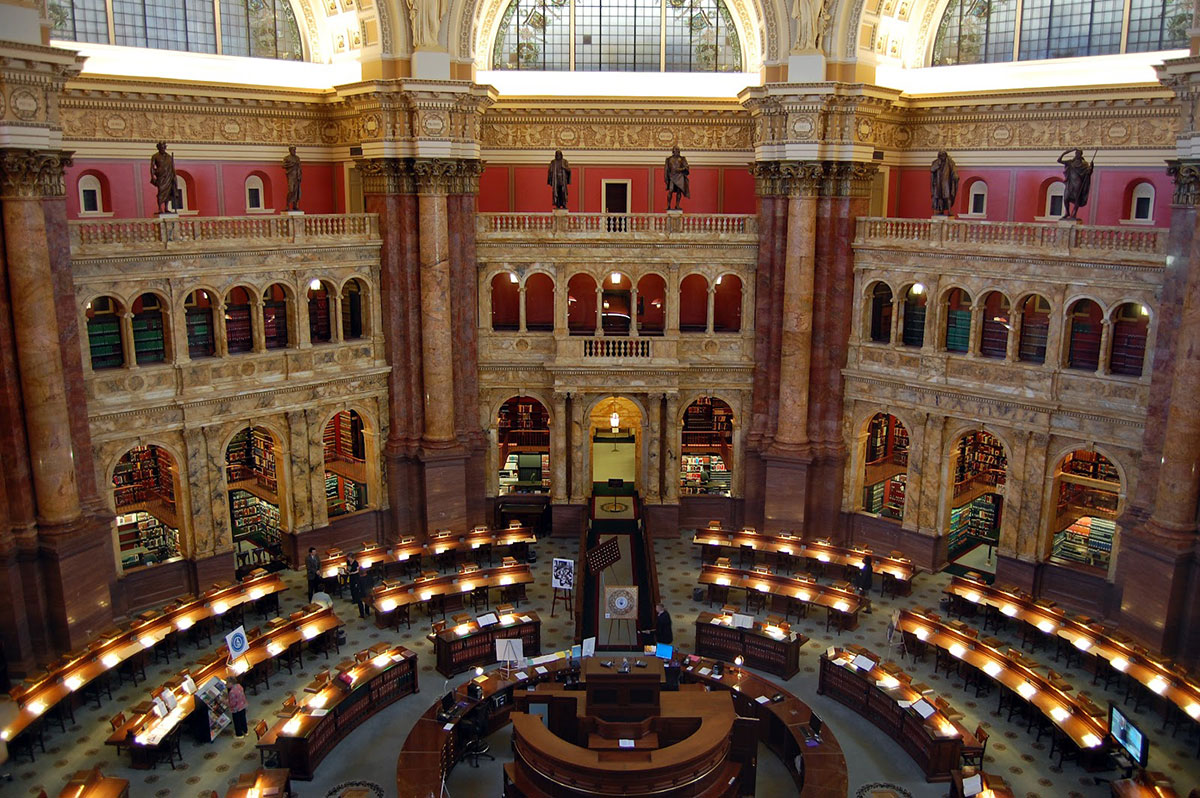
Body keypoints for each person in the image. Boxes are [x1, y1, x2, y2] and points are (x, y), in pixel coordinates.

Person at [1057, 148, 1094, 220]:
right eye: (1076, 153)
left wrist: (1091, 168)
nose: (1077, 154)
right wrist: (1066, 152)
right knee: (1066, 198)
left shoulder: (1084, 164)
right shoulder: (1071, 162)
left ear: (1081, 154)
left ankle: (1074, 213)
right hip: (1070, 182)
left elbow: (1088, 173)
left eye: (1078, 153)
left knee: (1077, 198)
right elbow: (1059, 160)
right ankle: (1067, 212)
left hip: (1078, 182)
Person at [149, 142, 176, 215]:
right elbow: (152, 167)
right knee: (161, 192)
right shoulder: (155, 156)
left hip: (168, 176)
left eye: (164, 147)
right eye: (161, 147)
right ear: (158, 148)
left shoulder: (169, 157)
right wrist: (152, 177)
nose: (163, 149)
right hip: (161, 177)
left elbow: (172, 168)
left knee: (168, 193)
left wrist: (174, 177)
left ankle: (166, 208)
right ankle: (160, 208)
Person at [930, 150, 958, 216]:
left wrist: (955, 175)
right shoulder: (935, 162)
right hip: (938, 181)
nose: (942, 157)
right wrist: (937, 165)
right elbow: (932, 170)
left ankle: (949, 210)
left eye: (943, 155)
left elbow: (953, 171)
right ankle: (940, 210)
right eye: (940, 156)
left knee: (947, 196)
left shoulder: (950, 162)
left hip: (946, 181)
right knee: (939, 196)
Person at [282, 145, 302, 211]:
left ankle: (295, 205)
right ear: (290, 150)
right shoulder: (287, 158)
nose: (294, 151)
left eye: (295, 150)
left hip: (296, 175)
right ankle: (287, 205)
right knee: (291, 190)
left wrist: (299, 175)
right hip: (290, 175)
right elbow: (283, 165)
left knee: (296, 191)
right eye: (293, 150)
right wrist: (292, 164)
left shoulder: (297, 158)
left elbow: (299, 167)